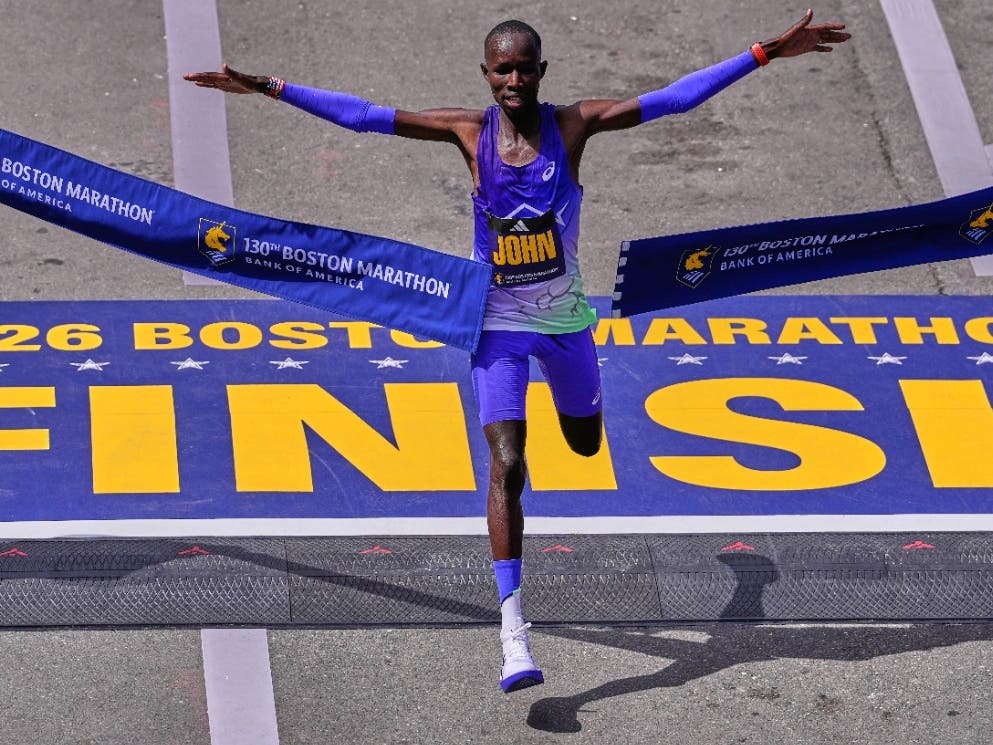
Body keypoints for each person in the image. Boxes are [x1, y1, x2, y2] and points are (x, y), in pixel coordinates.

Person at [185, 9, 850, 692]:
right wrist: (266, 86)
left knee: (586, 442)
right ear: (485, 73)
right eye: (500, 68)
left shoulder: (572, 128)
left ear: (540, 71)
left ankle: (576, 423)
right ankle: (513, 632)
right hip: (495, 328)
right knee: (506, 460)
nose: (512, 79)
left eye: (522, 68)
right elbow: (361, 116)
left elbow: (676, 98)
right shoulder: (467, 133)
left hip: (565, 326)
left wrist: (764, 52)